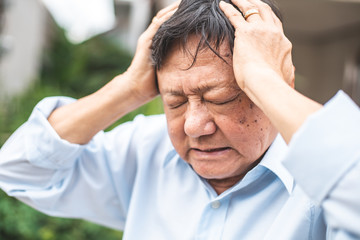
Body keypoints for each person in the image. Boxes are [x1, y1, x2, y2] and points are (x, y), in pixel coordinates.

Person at [0, 0, 359, 239]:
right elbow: (20, 170)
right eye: (175, 102)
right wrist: (128, 88)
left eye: (221, 98)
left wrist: (266, 79)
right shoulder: (146, 150)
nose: (193, 126)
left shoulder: (319, 180)